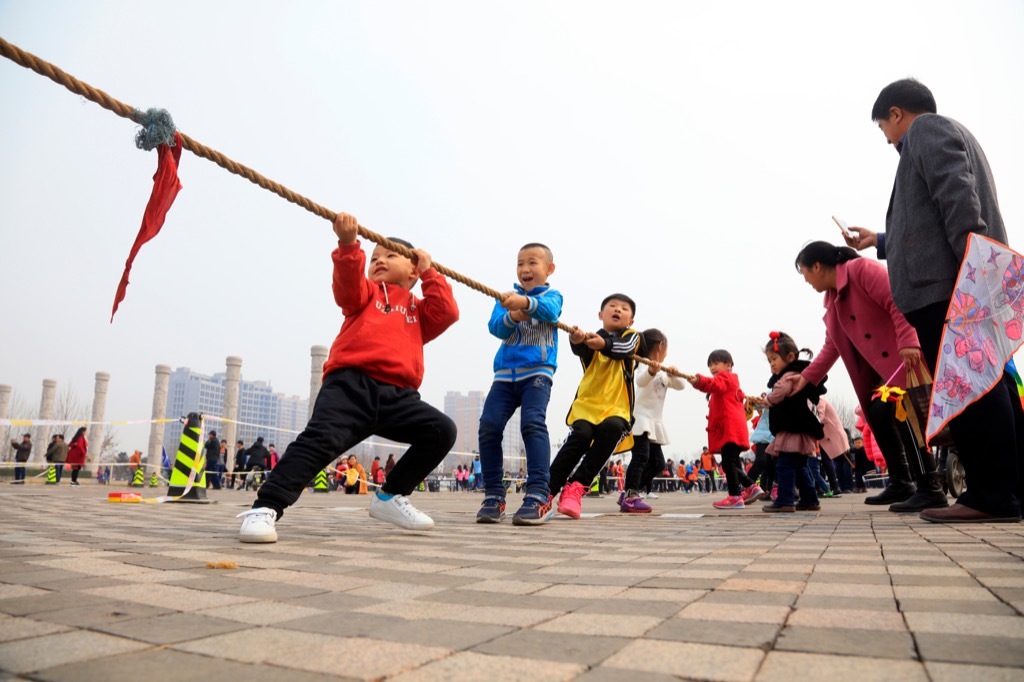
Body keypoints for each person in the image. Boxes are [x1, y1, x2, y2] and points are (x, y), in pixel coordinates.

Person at [845, 78, 1020, 523]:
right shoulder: (943, 134)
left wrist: (970, 266)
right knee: (984, 382)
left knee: (970, 389)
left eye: (884, 126)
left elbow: (956, 195)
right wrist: (880, 240)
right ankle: (1005, 491)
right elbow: (928, 214)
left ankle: (990, 495)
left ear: (897, 114)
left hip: (948, 286)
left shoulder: (927, 131)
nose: (886, 137)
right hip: (953, 280)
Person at [238, 212, 459, 542]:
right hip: (350, 386)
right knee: (318, 442)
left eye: (390, 255)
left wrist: (430, 273)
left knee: (441, 430)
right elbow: (346, 289)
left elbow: (448, 312)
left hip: (399, 395)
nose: (379, 260)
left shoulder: (419, 311)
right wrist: (348, 246)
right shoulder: (367, 293)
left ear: (412, 269)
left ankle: (391, 497)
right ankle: (265, 508)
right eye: (374, 257)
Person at [794, 240, 946, 512]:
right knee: (877, 413)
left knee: (903, 415)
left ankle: (931, 487)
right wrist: (805, 378)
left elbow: (896, 301)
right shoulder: (831, 302)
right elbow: (832, 347)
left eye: (804, 273)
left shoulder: (860, 270)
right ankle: (902, 482)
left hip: (903, 358)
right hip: (881, 373)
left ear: (817, 266)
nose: (805, 280)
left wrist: (909, 340)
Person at [477, 242, 562, 526]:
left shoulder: (553, 295)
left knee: (532, 423)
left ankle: (539, 493)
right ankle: (493, 495)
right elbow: (495, 327)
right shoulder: (505, 298)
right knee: (489, 426)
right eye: (520, 263)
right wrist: (512, 314)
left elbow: (550, 311)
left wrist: (525, 304)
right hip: (504, 376)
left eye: (532, 262)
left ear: (549, 269)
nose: (525, 268)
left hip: (537, 373)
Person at [549, 293, 642, 519]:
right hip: (588, 405)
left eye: (624, 308)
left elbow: (623, 348)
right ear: (601, 314)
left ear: (631, 320)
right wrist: (576, 340)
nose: (618, 309)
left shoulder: (633, 337)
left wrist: (605, 344)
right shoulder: (593, 339)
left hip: (616, 407)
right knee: (580, 436)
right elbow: (582, 351)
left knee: (611, 429)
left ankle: (576, 487)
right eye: (612, 306)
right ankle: (546, 490)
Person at [757, 332, 824, 513]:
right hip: (799, 429)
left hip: (792, 430)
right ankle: (810, 499)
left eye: (774, 359)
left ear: (790, 357)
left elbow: (780, 392)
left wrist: (768, 400)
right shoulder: (798, 374)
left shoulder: (788, 376)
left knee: (784, 465)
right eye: (769, 360)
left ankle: (785, 500)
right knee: (800, 467)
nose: (771, 364)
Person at [620, 329, 685, 513]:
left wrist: (674, 374)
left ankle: (629, 492)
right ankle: (631, 495)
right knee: (641, 457)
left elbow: (681, 386)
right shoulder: (641, 365)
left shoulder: (663, 373)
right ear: (661, 346)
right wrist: (650, 370)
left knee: (658, 463)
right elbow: (640, 381)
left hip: (654, 423)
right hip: (640, 420)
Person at [687, 349, 759, 508]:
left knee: (728, 464)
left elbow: (713, 384)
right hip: (735, 429)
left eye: (715, 363)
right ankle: (750, 487)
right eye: (710, 364)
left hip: (729, 430)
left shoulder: (724, 378)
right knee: (731, 463)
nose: (712, 367)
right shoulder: (733, 383)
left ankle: (735, 496)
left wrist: (698, 381)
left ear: (728, 365)